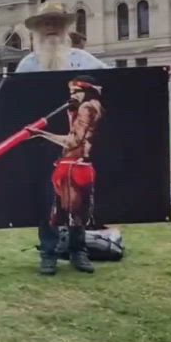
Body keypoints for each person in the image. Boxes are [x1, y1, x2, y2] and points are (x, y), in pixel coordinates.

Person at [15, 1, 108, 275]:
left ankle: (79, 250)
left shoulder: (86, 61)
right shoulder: (27, 65)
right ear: (37, 29)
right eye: (46, 23)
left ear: (65, 27)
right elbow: (15, 99)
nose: (51, 28)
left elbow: (114, 81)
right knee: (48, 201)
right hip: (43, 150)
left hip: (75, 149)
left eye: (56, 22)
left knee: (78, 200)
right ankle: (49, 252)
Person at [27, 76, 104, 273]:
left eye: (76, 92)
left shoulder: (88, 107)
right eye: (70, 92)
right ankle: (52, 254)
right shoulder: (75, 109)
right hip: (65, 163)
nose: (72, 96)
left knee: (72, 210)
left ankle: (74, 252)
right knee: (57, 210)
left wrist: (41, 133)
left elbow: (74, 141)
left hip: (75, 165)